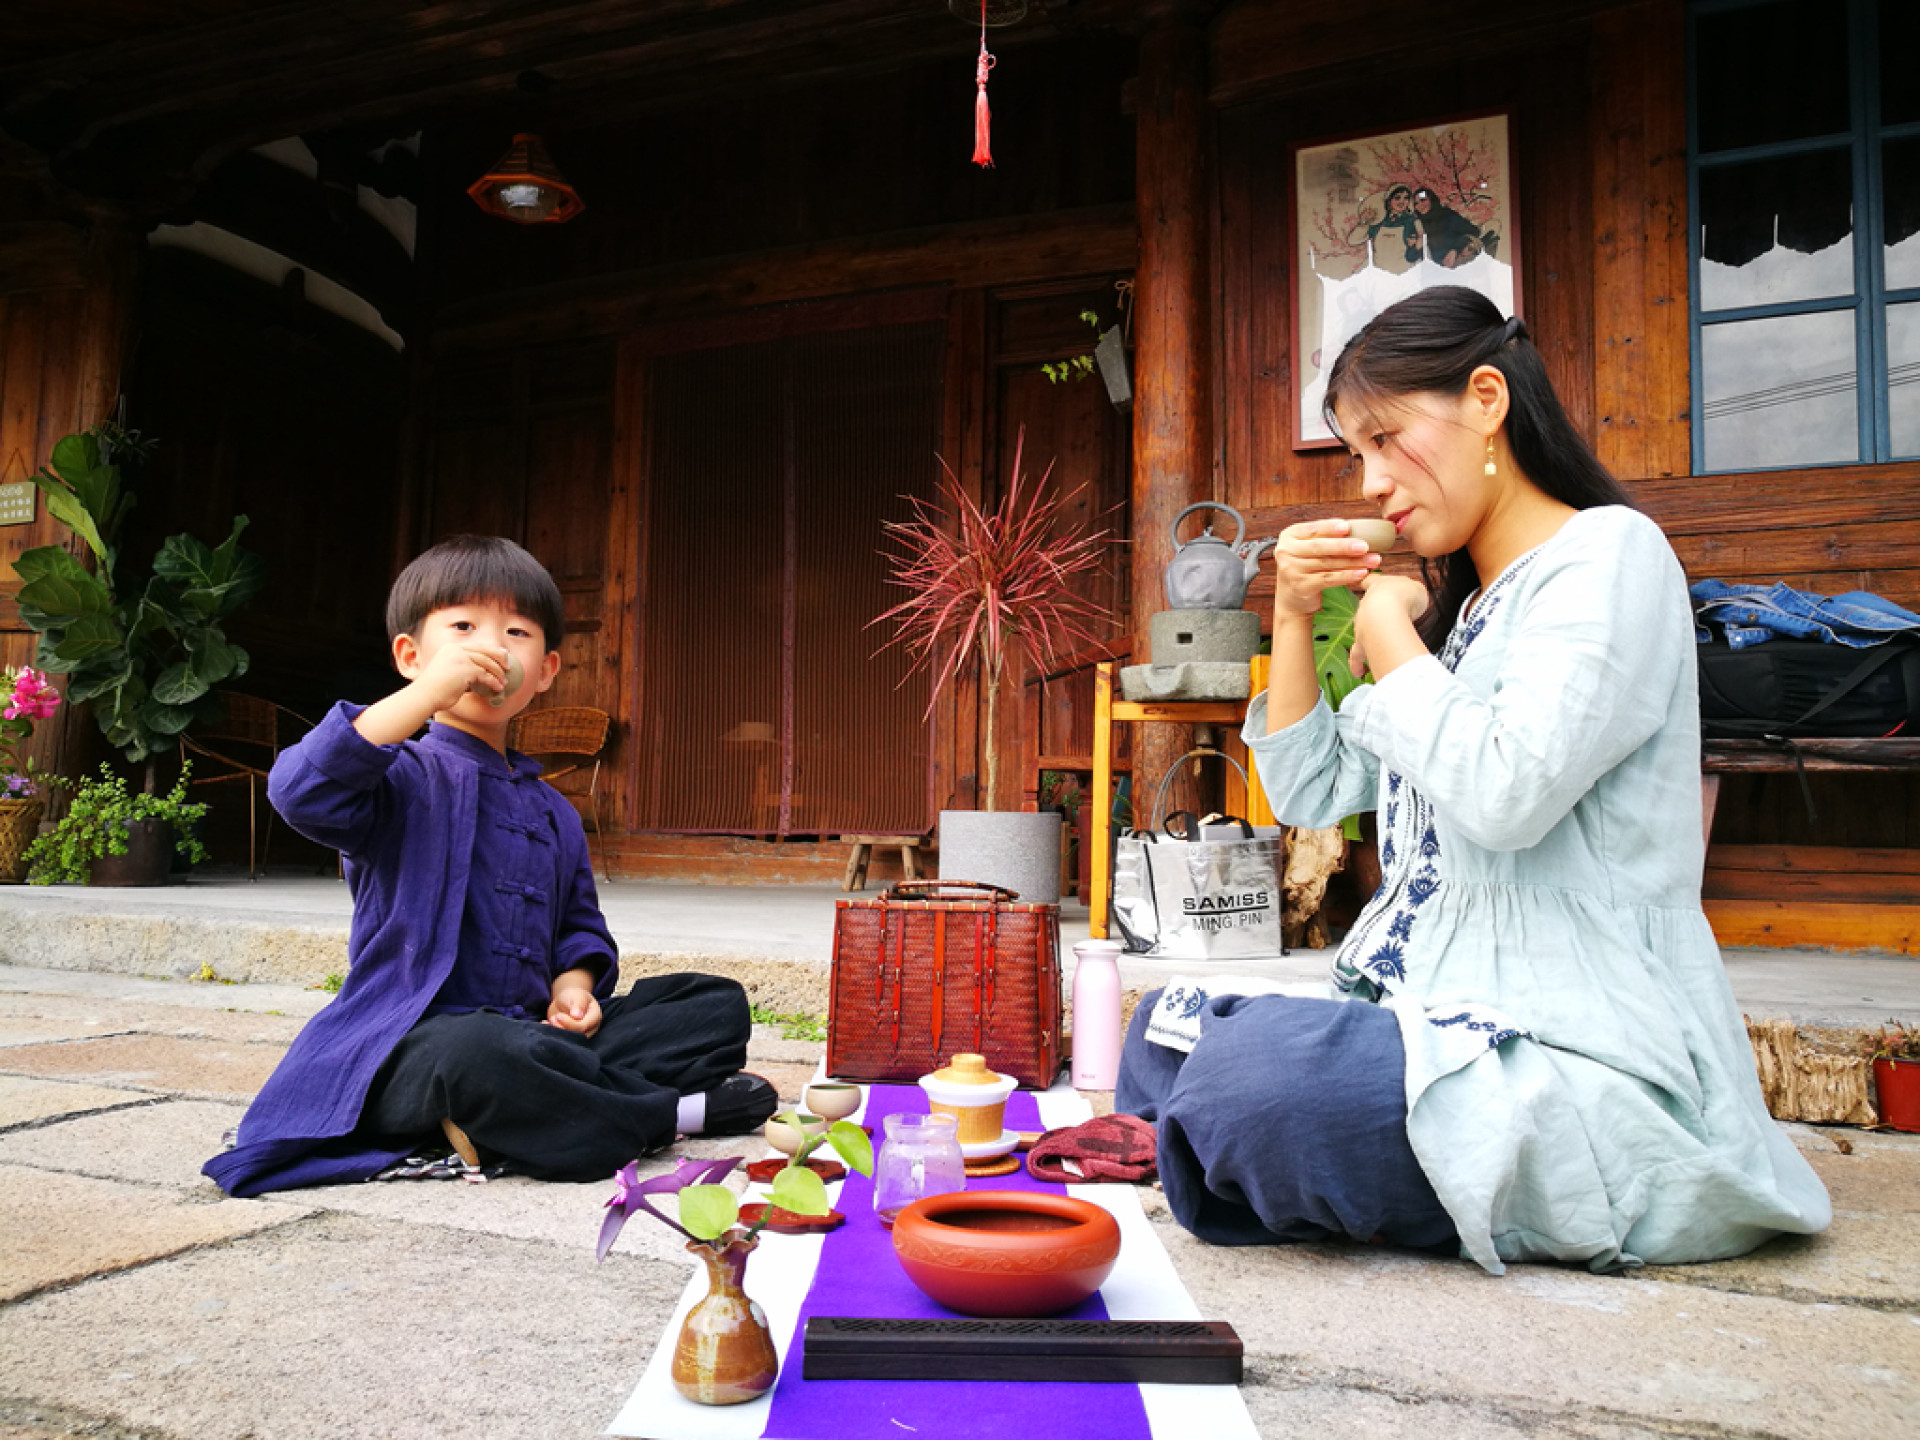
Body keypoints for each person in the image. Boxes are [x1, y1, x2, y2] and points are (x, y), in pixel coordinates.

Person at [1116, 287, 1831, 1273]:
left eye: (1384, 439)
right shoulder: (1463, 617)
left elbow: (1505, 791)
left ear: (1486, 400)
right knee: (1161, 1031)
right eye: (1355, 454)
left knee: (1254, 1086)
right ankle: (1273, 1142)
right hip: (1430, 1024)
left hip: (1576, 1051)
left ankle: (1265, 1138)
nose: (1371, 483)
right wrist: (1291, 614)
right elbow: (1310, 792)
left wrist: (1384, 630)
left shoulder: (1609, 556)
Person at [204, 535, 777, 1197]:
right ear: (410, 656)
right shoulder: (396, 778)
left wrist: (573, 988)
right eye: (463, 628)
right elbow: (300, 790)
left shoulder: (555, 812)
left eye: (516, 632)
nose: (491, 647)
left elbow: (579, 927)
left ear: (546, 669)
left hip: (540, 1039)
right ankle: (666, 1115)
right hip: (416, 1049)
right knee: (478, 1052)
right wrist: (427, 694)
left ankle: (535, 1109)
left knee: (710, 1005)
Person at [1411, 187, 1489, 268]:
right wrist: (1417, 247)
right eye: (1416, 203)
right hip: (1434, 269)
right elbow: (1410, 256)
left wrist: (1455, 249)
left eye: (1423, 200)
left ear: (1431, 200)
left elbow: (1473, 231)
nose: (1420, 205)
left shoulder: (1447, 215)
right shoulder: (1418, 224)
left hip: (1459, 263)